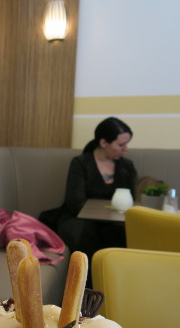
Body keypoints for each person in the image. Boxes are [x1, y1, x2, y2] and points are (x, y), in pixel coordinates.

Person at [56, 117, 137, 282]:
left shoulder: (127, 166)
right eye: (121, 145)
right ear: (103, 142)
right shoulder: (81, 163)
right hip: (79, 219)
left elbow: (130, 200)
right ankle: (87, 293)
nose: (126, 149)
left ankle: (117, 289)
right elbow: (75, 204)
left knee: (122, 236)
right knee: (87, 237)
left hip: (114, 222)